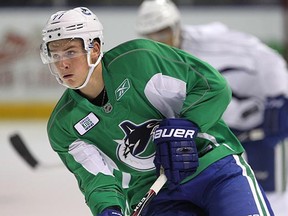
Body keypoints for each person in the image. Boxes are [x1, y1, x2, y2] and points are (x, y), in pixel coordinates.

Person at [40, 7, 274, 216]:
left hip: (212, 167)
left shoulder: (141, 60)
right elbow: (97, 180)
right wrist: (108, 209)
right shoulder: (64, 126)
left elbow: (213, 86)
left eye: (70, 52)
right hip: (156, 193)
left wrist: (188, 124)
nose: (63, 64)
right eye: (55, 55)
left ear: (94, 48)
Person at [136, 0, 288, 192]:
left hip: (262, 122)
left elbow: (269, 58)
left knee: (273, 195)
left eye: (162, 32)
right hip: (226, 134)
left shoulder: (211, 40)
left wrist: (278, 97)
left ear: (176, 26)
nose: (158, 40)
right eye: (150, 35)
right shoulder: (155, 63)